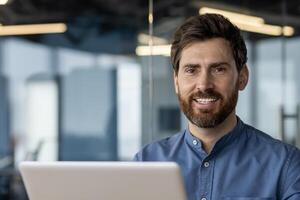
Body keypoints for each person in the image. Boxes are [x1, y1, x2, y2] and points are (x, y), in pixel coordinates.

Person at [134, 14, 300, 200]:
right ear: (176, 81)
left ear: (242, 77)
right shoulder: (146, 162)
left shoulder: (285, 166)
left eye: (218, 69)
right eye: (191, 70)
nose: (204, 84)